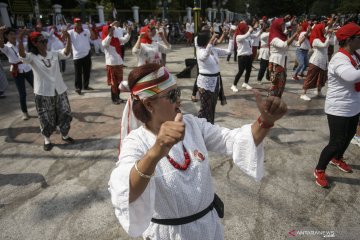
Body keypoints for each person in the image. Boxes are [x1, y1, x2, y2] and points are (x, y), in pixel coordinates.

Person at [108, 63, 288, 239]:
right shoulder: (136, 142)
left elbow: (231, 140)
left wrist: (265, 122)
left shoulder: (192, 124)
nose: (179, 99)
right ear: (149, 105)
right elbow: (124, 193)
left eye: (178, 92)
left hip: (207, 229)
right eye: (172, 95)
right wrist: (156, 150)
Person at [313, 23, 360, 188]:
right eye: (359, 37)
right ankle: (319, 169)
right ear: (349, 39)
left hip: (354, 105)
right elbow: (351, 76)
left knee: (348, 136)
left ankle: (337, 158)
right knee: (336, 141)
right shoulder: (339, 58)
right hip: (339, 107)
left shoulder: (354, 54)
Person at [18, 29, 74, 151]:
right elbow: (22, 55)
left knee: (65, 113)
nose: (45, 43)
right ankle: (47, 139)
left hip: (59, 89)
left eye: (45, 40)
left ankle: (65, 135)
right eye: (41, 41)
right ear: (34, 44)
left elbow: (66, 52)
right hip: (43, 93)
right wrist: (20, 39)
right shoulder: (32, 57)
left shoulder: (53, 54)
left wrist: (68, 38)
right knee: (46, 117)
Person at [195, 30, 232, 124]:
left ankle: (210, 126)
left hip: (215, 81)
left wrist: (231, 38)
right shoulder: (200, 50)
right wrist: (211, 43)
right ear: (206, 40)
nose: (213, 39)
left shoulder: (213, 49)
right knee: (205, 108)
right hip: (205, 83)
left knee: (212, 106)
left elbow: (228, 51)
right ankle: (200, 126)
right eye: (210, 38)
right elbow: (203, 57)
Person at [0, 26, 34, 120]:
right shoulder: (6, 47)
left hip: (27, 68)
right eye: (10, 34)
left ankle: (42, 107)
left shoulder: (21, 43)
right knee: (22, 93)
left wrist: (27, 33)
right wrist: (0, 33)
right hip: (17, 70)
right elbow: (1, 44)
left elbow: (31, 43)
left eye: (14, 33)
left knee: (37, 88)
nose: (13, 36)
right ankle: (25, 112)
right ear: (6, 36)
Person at [268, 18, 301, 98]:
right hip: (276, 63)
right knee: (275, 85)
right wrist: (296, 33)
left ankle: (277, 103)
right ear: (277, 26)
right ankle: (270, 105)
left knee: (281, 85)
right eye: (282, 25)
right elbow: (284, 45)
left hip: (282, 63)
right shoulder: (274, 38)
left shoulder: (283, 36)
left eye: (283, 25)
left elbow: (297, 44)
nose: (284, 27)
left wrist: (306, 34)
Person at [300, 23, 332, 101]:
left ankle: (318, 91)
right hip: (315, 61)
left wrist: (329, 36)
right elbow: (324, 45)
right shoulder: (315, 39)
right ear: (319, 30)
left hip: (323, 61)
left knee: (321, 77)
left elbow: (330, 43)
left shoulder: (323, 38)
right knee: (310, 77)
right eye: (323, 29)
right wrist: (328, 36)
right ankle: (303, 93)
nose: (325, 30)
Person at [101, 22, 131, 104]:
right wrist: (110, 34)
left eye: (111, 29)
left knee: (119, 82)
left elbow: (125, 39)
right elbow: (106, 42)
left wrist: (129, 32)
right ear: (106, 31)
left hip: (119, 63)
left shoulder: (116, 39)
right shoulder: (104, 41)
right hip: (111, 64)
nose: (112, 31)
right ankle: (114, 99)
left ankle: (118, 97)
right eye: (109, 30)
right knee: (113, 83)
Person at [68, 18, 96, 95]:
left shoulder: (86, 31)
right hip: (77, 56)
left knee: (87, 72)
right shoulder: (70, 32)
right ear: (74, 24)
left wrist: (90, 28)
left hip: (87, 54)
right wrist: (66, 29)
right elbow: (63, 37)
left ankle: (86, 86)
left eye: (80, 22)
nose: (79, 24)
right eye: (77, 23)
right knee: (78, 73)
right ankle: (78, 87)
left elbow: (93, 37)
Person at [231, 22, 254, 92]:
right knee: (240, 71)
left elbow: (254, 35)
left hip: (249, 56)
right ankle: (234, 85)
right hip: (242, 57)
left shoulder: (247, 35)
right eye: (245, 28)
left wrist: (260, 30)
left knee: (249, 70)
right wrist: (250, 30)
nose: (246, 29)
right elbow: (246, 36)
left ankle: (245, 83)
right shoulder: (238, 36)